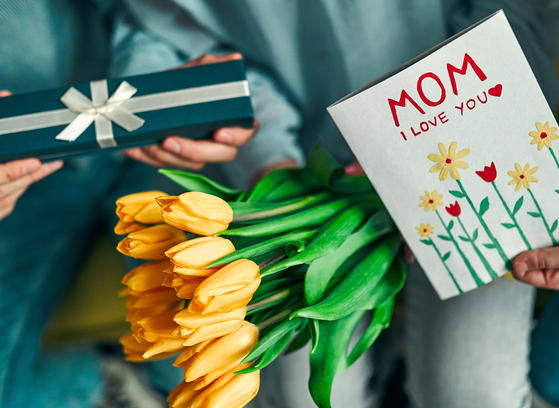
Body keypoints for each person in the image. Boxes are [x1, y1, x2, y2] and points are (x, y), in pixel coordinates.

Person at [113, 1, 559, 407]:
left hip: (472, 144)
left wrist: (429, 143)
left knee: (472, 392)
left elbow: (515, 13)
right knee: (301, 397)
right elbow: (180, 35)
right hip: (303, 165)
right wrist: (271, 161)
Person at [0, 1, 257, 407]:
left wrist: (153, 79)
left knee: (200, 354)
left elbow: (156, 14)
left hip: (152, 115)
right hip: (18, 171)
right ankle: (102, 384)